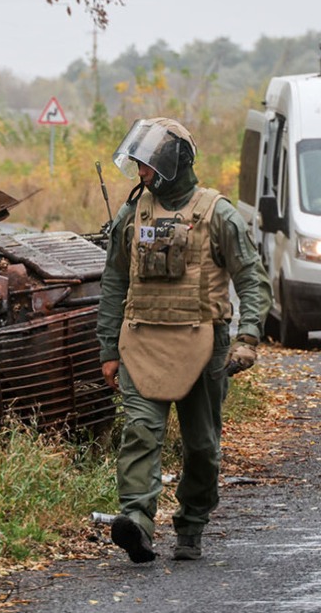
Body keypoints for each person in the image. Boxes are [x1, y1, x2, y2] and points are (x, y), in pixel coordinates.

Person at [95, 117, 270, 562]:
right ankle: (136, 522)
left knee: (201, 446)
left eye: (148, 166)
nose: (141, 175)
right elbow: (114, 282)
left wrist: (246, 337)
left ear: (174, 163)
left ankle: (191, 524)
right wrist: (108, 349)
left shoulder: (218, 214)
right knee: (141, 431)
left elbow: (252, 278)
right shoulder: (133, 214)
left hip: (203, 347)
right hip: (142, 343)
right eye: (138, 166)